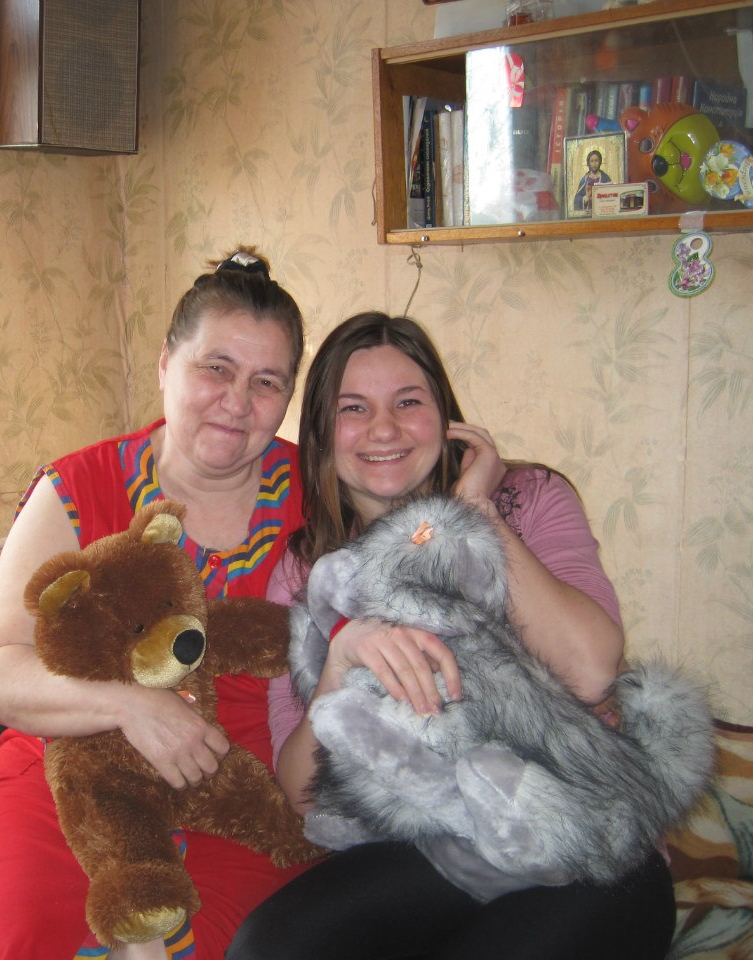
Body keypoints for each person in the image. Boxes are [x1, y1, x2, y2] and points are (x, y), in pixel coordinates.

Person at [227, 312, 677, 960]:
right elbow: (300, 796)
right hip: (429, 850)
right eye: (354, 408)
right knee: (265, 949)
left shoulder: (530, 498)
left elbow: (590, 670)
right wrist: (338, 665)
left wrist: (472, 515)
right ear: (322, 434)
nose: (384, 428)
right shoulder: (305, 569)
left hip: (586, 844)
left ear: (446, 419)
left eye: (408, 402)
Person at [0, 247, 309, 960]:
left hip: (237, 789)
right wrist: (129, 705)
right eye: (216, 368)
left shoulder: (318, 492)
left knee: (213, 947)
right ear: (165, 364)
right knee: (28, 937)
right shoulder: (75, 487)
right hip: (73, 775)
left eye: (267, 382)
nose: (238, 401)